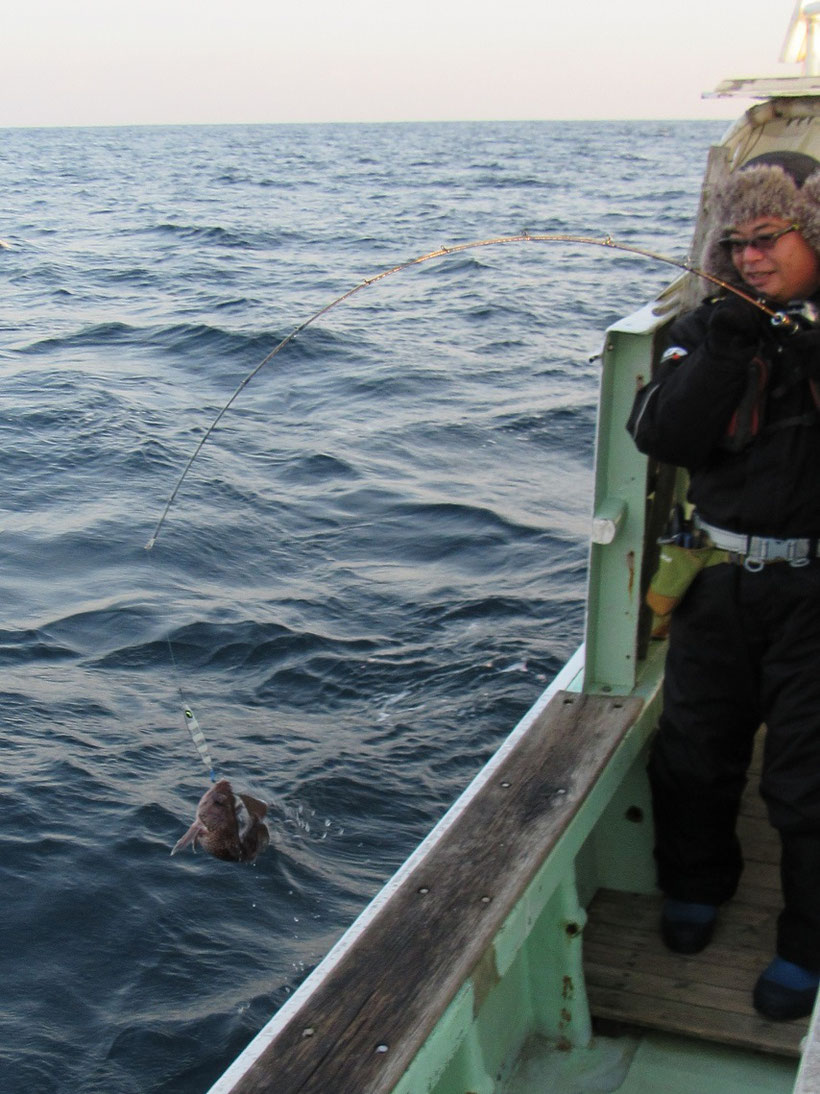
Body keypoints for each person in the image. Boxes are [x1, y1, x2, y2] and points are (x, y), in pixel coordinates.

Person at [627, 150, 820, 1021]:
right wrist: (732, 341)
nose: (751, 257)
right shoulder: (708, 329)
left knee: (806, 781)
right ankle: (696, 886)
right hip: (714, 578)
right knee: (695, 751)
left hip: (814, 591)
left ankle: (808, 942)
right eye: (736, 242)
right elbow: (661, 433)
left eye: (770, 238)